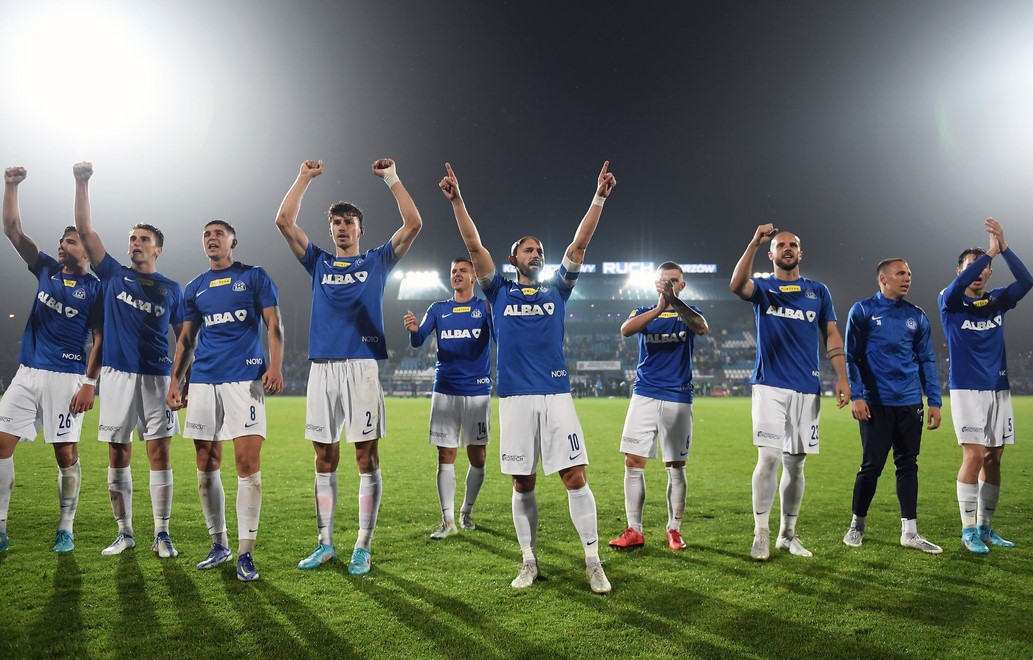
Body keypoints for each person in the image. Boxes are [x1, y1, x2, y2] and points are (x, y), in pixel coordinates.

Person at [441, 160, 616, 594]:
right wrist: (458, 200)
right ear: (513, 258)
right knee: (523, 481)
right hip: (516, 398)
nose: (536, 254)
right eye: (528, 250)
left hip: (556, 395)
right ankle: (529, 560)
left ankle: (593, 561)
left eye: (540, 250)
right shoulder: (497, 289)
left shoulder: (558, 287)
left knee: (575, 477)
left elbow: (579, 244)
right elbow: (472, 242)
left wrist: (598, 198)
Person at [275, 158, 422, 575]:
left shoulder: (376, 261)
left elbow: (413, 224)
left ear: (360, 230)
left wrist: (392, 178)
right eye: (336, 222)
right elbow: (284, 221)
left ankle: (362, 544)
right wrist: (303, 178)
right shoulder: (318, 262)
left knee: (365, 457)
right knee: (324, 457)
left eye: (348, 222)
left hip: (361, 367)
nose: (341, 227)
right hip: (322, 368)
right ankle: (325, 544)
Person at [73, 161, 185, 558]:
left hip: (156, 378)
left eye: (143, 239)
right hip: (118, 376)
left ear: (158, 249)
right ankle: (125, 532)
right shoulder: (114, 276)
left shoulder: (172, 289)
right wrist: (82, 183)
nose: (135, 243)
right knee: (117, 452)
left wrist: (178, 380)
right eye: (132, 238)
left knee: (159, 452)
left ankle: (162, 533)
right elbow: (86, 231)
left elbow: (184, 337)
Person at [166, 220, 284, 581]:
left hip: (244, 380)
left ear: (234, 240)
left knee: (247, 463)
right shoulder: (195, 287)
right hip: (203, 381)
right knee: (206, 462)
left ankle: (246, 553)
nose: (212, 238)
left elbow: (273, 324)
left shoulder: (254, 277)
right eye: (206, 234)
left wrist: (275, 365)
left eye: (219, 233)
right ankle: (219, 544)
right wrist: (176, 382)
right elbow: (185, 341)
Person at [729, 225, 850, 561]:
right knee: (768, 457)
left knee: (796, 466)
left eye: (792, 244)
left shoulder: (818, 291)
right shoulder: (764, 288)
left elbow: (832, 335)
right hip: (769, 384)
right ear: (771, 254)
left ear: (800, 252)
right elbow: (737, 285)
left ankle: (788, 534)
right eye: (780, 245)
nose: (786, 248)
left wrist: (842, 378)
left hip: (807, 388)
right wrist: (754, 241)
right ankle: (761, 533)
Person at [0, 166, 103, 554]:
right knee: (1, 444)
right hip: (26, 374)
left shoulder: (96, 289)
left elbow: (101, 340)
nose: (63, 245)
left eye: (72, 241)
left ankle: (66, 526)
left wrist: (89, 385)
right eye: (62, 241)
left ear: (86, 250)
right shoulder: (45, 269)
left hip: (67, 378)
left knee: (65, 455)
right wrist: (10, 186)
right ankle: (0, 526)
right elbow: (11, 229)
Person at [939, 218, 1032, 554]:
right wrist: (986, 253)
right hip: (967, 389)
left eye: (984, 267)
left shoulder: (997, 300)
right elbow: (956, 286)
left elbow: (1027, 280)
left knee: (994, 457)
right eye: (971, 266)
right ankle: (967, 532)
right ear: (960, 270)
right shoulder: (949, 301)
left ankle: (986, 527)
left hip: (998, 387)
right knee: (975, 454)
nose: (978, 272)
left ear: (990, 273)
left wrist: (1002, 249)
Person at [842, 259, 943, 554]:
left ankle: (910, 532)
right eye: (901, 273)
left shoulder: (917, 316)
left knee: (908, 465)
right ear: (883, 279)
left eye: (909, 273)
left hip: (910, 401)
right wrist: (857, 395)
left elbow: (926, 359)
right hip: (876, 402)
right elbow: (852, 356)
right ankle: (856, 525)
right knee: (871, 466)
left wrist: (933, 400)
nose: (907, 278)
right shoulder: (862, 311)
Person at [609, 263, 708, 552]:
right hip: (645, 395)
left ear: (682, 285)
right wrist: (660, 306)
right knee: (633, 462)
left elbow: (701, 328)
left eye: (674, 281)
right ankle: (634, 530)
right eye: (664, 281)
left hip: (678, 396)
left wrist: (674, 302)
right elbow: (626, 330)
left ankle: (674, 529)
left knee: (675, 467)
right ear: (655, 284)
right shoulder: (642, 312)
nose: (668, 285)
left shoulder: (689, 314)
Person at [402, 257, 492, 539]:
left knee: (477, 457)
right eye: (453, 271)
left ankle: (467, 510)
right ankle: (448, 520)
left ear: (474, 277)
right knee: (445, 455)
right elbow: (419, 340)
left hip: (477, 392)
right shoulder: (439, 309)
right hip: (445, 390)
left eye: (463, 271)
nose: (457, 274)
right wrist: (415, 331)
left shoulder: (485, 307)